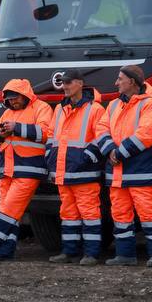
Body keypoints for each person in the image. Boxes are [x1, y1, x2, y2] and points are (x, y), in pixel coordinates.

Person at [97, 66, 152, 267]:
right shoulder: (113, 105)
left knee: (149, 214)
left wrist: (117, 153)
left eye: (120, 79)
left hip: (140, 172)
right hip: (118, 173)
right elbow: (101, 129)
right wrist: (110, 150)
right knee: (120, 215)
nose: (116, 83)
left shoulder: (150, 105)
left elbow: (146, 134)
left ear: (133, 82)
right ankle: (125, 255)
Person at [0, 78, 54, 260]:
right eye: (9, 100)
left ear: (24, 95)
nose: (12, 102)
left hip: (30, 169)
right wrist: (1, 133)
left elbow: (46, 133)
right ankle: (5, 251)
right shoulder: (8, 113)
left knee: (9, 210)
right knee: (8, 211)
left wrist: (16, 128)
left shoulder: (42, 108)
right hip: (8, 170)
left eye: (15, 98)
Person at [45, 68, 106, 265]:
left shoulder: (95, 109)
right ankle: (69, 252)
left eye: (69, 82)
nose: (65, 86)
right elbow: (51, 136)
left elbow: (101, 138)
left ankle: (91, 254)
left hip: (84, 173)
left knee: (90, 214)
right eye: (63, 83)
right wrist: (50, 156)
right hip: (64, 172)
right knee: (68, 214)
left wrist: (86, 157)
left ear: (80, 83)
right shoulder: (59, 109)